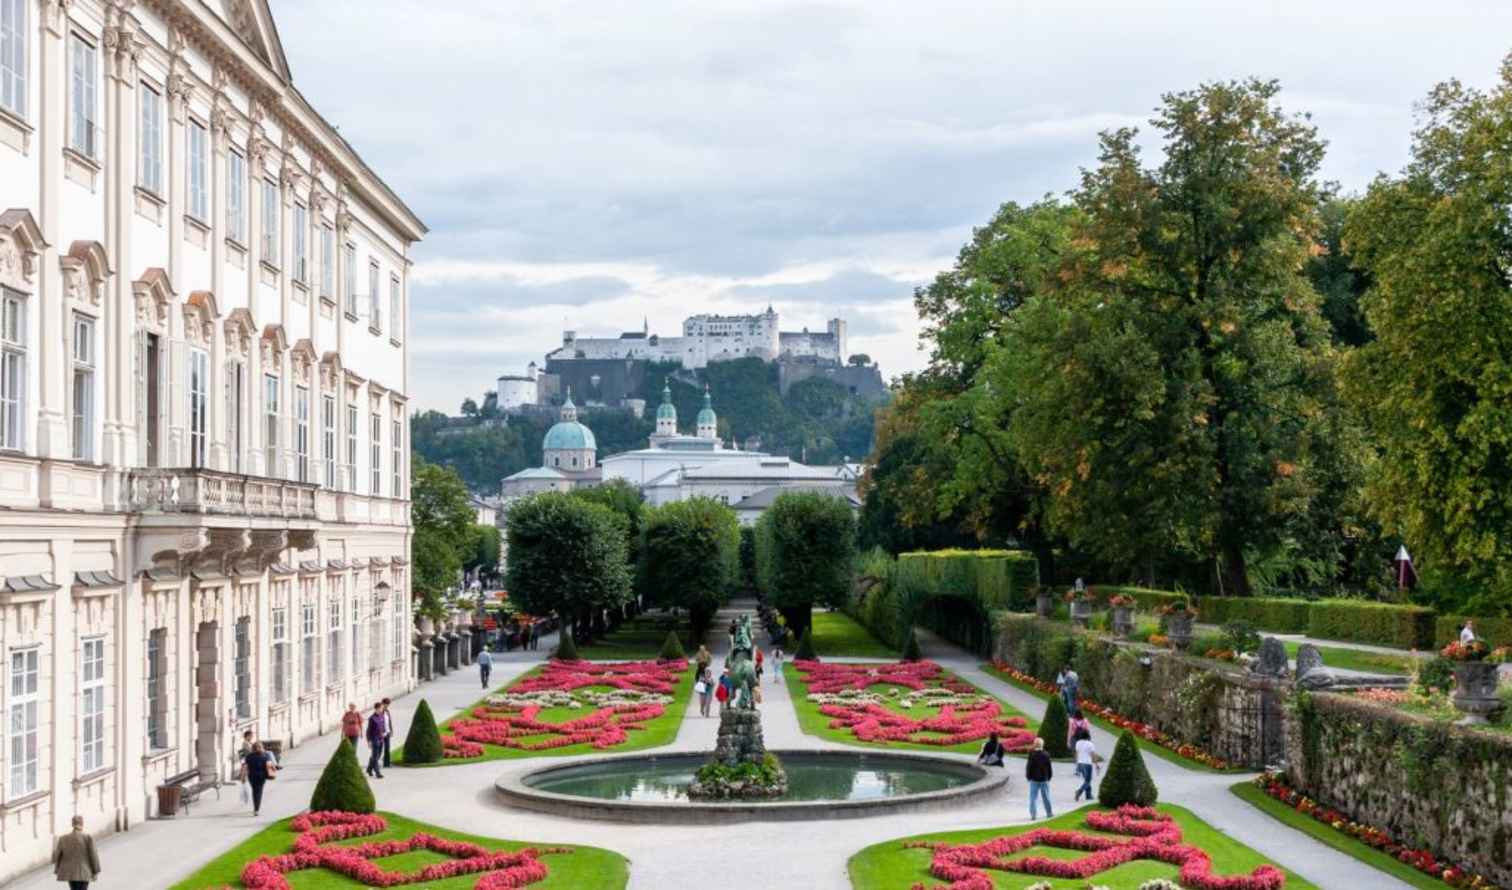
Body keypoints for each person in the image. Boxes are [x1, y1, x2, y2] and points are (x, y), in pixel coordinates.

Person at [53, 815, 100, 889]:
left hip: (70, 872)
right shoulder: (87, 838)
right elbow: (93, 855)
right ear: (82, 824)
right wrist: (95, 870)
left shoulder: (63, 839)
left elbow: (57, 856)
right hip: (85, 871)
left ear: (72, 824)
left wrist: (57, 869)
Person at [240, 741, 276, 815]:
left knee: (254, 791)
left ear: (253, 748)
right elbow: (271, 766)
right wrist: (273, 770)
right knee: (258, 792)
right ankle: (256, 809)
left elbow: (245, 767)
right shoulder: (265, 755)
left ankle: (256, 808)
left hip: (252, 777)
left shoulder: (249, 756)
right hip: (261, 776)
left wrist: (243, 777)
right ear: (261, 747)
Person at [1026, 737, 1054, 820]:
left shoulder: (1032, 754)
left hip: (1034, 779)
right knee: (1046, 796)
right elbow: (1049, 768)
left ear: (1035, 744)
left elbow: (1029, 767)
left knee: (1033, 797)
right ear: (1042, 745)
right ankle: (1049, 813)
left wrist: (1028, 776)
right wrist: (1049, 777)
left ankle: (1033, 814)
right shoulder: (1046, 754)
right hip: (1044, 778)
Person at [1073, 729, 1098, 801]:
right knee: (1088, 780)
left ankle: (1088, 795)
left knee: (1086, 780)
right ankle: (1079, 791)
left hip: (1080, 763)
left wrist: (1077, 764)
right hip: (1087, 764)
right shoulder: (1090, 744)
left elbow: (1076, 754)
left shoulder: (1078, 743)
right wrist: (1096, 764)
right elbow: (1093, 755)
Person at [365, 702, 387, 779]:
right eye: (381, 708)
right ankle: (378, 773)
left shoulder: (382, 716)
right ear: (377, 708)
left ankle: (369, 769)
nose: (382, 709)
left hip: (381, 738)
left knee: (378, 755)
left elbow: (383, 726)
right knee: (375, 756)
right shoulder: (372, 718)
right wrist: (369, 741)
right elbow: (368, 731)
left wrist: (384, 732)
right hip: (374, 739)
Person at [380, 697, 395, 768]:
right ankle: (373, 762)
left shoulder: (387, 711)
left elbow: (389, 721)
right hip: (381, 733)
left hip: (387, 732)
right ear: (383, 703)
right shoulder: (379, 712)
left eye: (388, 704)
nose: (387, 705)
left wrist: (391, 730)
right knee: (379, 749)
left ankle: (387, 763)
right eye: (386, 704)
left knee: (387, 748)